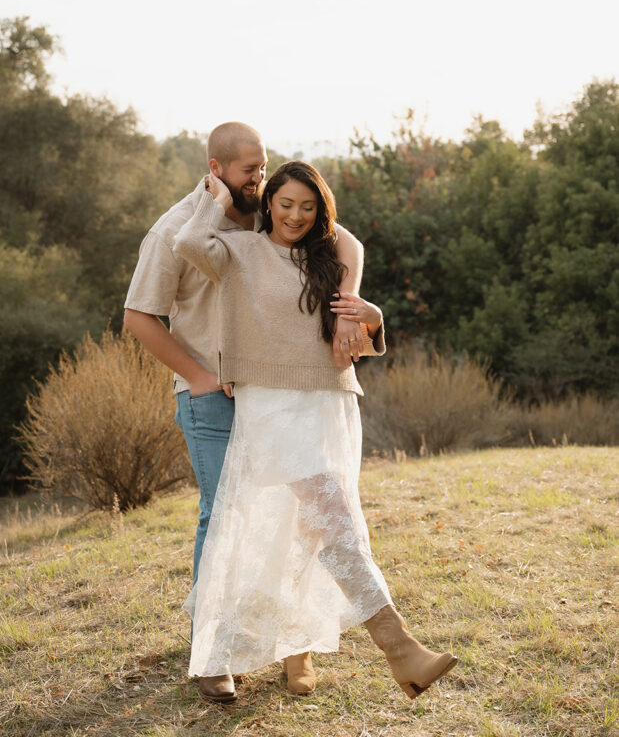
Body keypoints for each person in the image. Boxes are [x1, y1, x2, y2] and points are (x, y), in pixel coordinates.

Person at [173, 160, 457, 702]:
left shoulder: (328, 259)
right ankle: (402, 651)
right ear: (267, 205)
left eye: (308, 207)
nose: (295, 216)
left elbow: (353, 328)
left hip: (329, 403)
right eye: (285, 205)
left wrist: (371, 315)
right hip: (272, 407)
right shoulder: (240, 252)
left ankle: (295, 645)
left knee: (307, 529)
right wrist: (214, 196)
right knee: (335, 522)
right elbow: (189, 242)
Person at [123, 124, 367, 702]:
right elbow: (138, 316)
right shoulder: (174, 230)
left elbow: (345, 242)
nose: (260, 178)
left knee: (303, 510)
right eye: (249, 171)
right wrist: (201, 379)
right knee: (223, 516)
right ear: (215, 168)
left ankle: (294, 643)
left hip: (276, 393)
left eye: (263, 166)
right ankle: (214, 654)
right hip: (212, 397)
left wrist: (349, 310)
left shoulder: (269, 213)